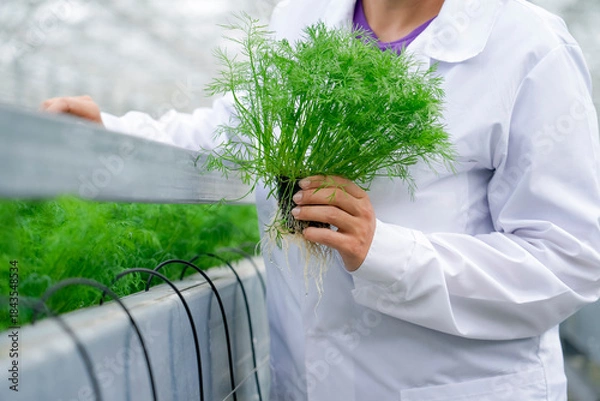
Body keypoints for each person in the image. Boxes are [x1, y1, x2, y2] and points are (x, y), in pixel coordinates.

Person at [41, 0, 600, 400]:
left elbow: (570, 258)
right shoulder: (302, 18)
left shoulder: (527, 47)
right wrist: (111, 131)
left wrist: (385, 252)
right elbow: (230, 131)